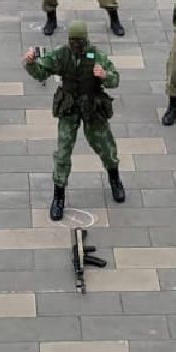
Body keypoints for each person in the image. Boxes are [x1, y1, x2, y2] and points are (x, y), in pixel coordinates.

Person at [24, 22, 122, 220]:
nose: (76, 45)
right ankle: (58, 195)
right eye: (73, 41)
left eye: (79, 42)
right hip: (69, 108)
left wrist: (104, 76)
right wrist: (31, 63)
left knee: (105, 146)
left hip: (92, 106)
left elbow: (115, 79)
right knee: (63, 152)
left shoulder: (96, 55)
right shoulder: (62, 54)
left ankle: (115, 178)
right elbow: (42, 72)